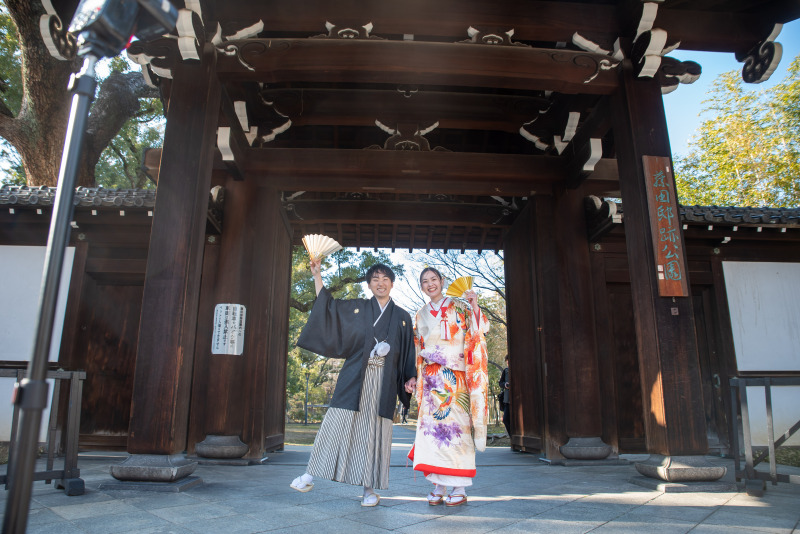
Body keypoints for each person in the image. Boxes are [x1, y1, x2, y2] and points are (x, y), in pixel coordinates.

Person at [290, 260, 417, 507]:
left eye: (385, 279)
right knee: (336, 422)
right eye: (375, 279)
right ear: (369, 285)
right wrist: (317, 276)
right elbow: (328, 307)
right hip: (354, 377)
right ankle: (309, 475)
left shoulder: (402, 317)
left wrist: (410, 377)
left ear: (392, 283)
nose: (380, 283)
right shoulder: (358, 308)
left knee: (373, 435)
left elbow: (408, 353)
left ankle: (369, 490)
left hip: (384, 383)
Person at [408, 267, 490, 507]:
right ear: (421, 286)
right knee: (433, 433)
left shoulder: (460, 306)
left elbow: (480, 330)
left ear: (442, 281)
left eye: (434, 279)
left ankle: (460, 487)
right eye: (425, 281)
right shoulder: (420, 314)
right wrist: (415, 376)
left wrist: (474, 307)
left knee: (457, 431)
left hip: (456, 379)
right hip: (432, 379)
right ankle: (439, 484)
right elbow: (417, 350)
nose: (430, 284)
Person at [499, 354, 512, 438]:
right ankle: (512, 437)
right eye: (507, 361)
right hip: (507, 401)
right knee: (506, 419)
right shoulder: (506, 371)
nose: (507, 362)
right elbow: (500, 383)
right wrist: (505, 385)